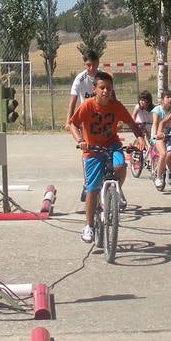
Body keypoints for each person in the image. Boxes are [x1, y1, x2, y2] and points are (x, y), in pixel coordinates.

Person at [67, 71, 138, 242]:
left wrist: (141, 137)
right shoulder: (88, 106)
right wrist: (80, 140)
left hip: (111, 144)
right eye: (102, 88)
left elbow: (132, 123)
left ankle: (116, 192)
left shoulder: (116, 106)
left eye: (109, 88)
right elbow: (73, 124)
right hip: (92, 148)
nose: (106, 91)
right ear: (95, 89)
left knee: (120, 166)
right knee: (92, 188)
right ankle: (89, 226)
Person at [151, 89, 171, 190]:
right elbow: (155, 124)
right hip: (158, 135)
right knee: (163, 154)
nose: (170, 99)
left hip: (170, 135)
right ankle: (159, 177)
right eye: (167, 97)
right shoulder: (157, 110)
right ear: (162, 99)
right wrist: (155, 135)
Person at [66, 50, 100, 124]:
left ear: (98, 63)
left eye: (94, 64)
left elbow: (112, 97)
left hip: (101, 113)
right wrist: (68, 122)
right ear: (84, 64)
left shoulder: (104, 77)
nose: (91, 68)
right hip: (86, 113)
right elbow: (73, 101)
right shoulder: (80, 79)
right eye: (88, 65)